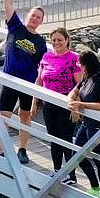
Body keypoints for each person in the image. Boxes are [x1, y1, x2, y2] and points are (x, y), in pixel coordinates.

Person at [0, 0, 47, 164]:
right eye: (33, 15)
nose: (35, 19)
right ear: (28, 15)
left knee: (24, 116)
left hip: (27, 83)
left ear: (41, 22)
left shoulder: (40, 42)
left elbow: (42, 67)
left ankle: (22, 149)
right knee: (4, 114)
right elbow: (7, 4)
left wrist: (37, 94)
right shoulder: (16, 27)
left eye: (38, 18)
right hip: (10, 79)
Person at [34, 27, 82, 179]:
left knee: (66, 138)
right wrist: (34, 102)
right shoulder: (47, 57)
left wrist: (76, 108)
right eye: (54, 40)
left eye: (60, 39)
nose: (56, 43)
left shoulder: (74, 58)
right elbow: (39, 80)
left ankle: (71, 174)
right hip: (48, 102)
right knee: (53, 137)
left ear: (67, 40)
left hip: (66, 101)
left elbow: (80, 84)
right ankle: (57, 169)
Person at [68, 51, 100, 198]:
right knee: (76, 153)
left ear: (87, 65)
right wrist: (72, 104)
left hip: (98, 126)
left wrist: (80, 104)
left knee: (99, 159)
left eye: (81, 65)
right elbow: (73, 92)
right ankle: (95, 185)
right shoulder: (87, 77)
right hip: (86, 123)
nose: (80, 68)